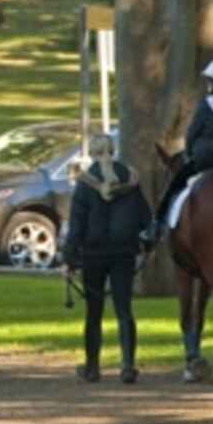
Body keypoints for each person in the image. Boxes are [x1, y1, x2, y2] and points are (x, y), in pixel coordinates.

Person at [63, 134, 153, 384]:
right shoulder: (131, 180)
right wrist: (145, 244)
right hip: (124, 252)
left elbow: (77, 226)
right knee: (124, 310)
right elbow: (146, 219)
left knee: (94, 312)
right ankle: (128, 365)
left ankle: (93, 367)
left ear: (92, 154)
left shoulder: (84, 183)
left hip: (93, 254)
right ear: (112, 151)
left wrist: (69, 258)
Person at [144, 58, 213, 249]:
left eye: (210, 81)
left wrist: (190, 154)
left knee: (175, 185)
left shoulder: (207, 104)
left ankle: (155, 226)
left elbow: (192, 134)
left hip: (204, 160)